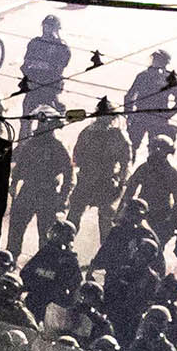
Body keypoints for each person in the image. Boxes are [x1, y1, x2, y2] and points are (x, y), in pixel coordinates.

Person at [9, 110, 73, 260]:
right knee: (16, 229)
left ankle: (43, 262)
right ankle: (11, 258)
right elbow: (19, 167)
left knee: (46, 234)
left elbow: (69, 173)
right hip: (29, 190)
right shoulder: (30, 144)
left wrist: (63, 196)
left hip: (47, 193)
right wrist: (14, 183)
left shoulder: (58, 147)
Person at [68, 99, 131, 243]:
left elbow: (77, 157)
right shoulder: (119, 135)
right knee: (105, 220)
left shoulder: (87, 133)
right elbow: (126, 163)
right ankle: (106, 254)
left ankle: (64, 244)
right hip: (105, 182)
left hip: (91, 181)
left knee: (75, 215)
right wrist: (121, 183)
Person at [124, 53, 177, 156]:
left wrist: (129, 115)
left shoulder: (144, 76)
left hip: (143, 118)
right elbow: (129, 97)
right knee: (135, 148)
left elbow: (129, 97)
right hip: (152, 119)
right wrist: (166, 116)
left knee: (135, 148)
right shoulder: (145, 76)